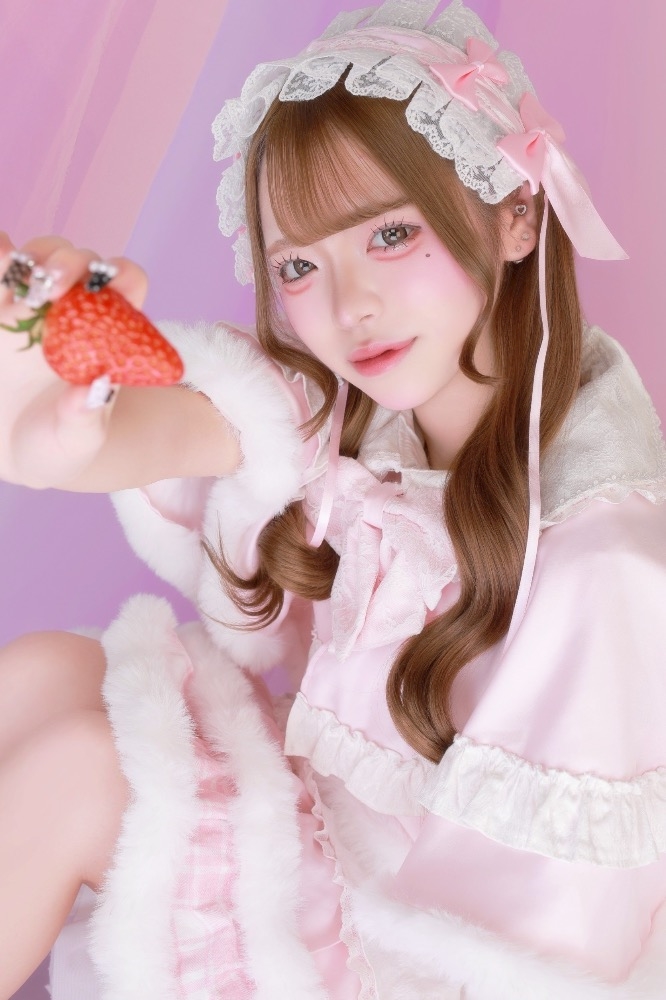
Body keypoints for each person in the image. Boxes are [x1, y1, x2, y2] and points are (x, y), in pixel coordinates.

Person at [1, 0, 665, 997]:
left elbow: (539, 947)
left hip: (409, 960)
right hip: (335, 840)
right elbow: (171, 428)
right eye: (301, 266)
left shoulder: (600, 557)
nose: (349, 306)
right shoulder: (359, 421)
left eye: (391, 234)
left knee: (77, 772)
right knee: (46, 671)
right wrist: (47, 429)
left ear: (517, 216)